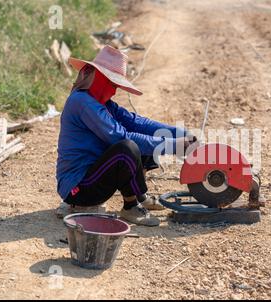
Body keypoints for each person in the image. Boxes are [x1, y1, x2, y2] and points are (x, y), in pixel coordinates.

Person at [56, 46, 196, 226]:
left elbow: (137, 123)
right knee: (127, 148)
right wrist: (173, 145)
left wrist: (181, 134)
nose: (114, 91)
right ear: (99, 78)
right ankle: (130, 206)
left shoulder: (102, 103)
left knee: (144, 137)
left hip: (93, 176)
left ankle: (140, 196)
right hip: (79, 188)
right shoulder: (82, 103)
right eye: (113, 85)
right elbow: (119, 137)